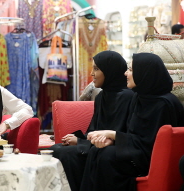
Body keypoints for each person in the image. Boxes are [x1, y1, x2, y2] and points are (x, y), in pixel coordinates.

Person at [81, 53, 184, 191]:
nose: (125, 73)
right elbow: (133, 135)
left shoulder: (163, 104)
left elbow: (149, 144)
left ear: (144, 72)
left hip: (152, 160)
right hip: (137, 152)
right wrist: (113, 141)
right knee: (98, 152)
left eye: (130, 69)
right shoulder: (139, 98)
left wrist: (112, 135)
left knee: (106, 156)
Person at [50, 50, 134, 191]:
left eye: (96, 69)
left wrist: (81, 142)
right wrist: (79, 139)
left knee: (65, 154)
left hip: (112, 149)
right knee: (56, 149)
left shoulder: (128, 97)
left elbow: (120, 132)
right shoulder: (102, 96)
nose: (92, 74)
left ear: (110, 71)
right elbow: (95, 128)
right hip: (96, 145)